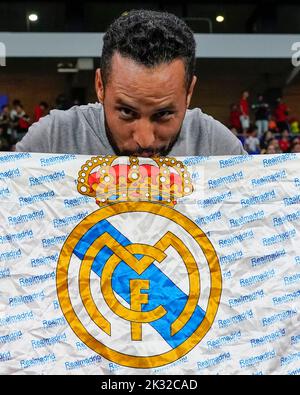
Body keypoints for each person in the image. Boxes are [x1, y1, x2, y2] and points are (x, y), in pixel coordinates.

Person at [16, 10, 246, 156]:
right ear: (100, 86)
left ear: (189, 93)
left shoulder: (217, 147)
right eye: (126, 111)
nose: (144, 139)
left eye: (164, 114)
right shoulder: (52, 140)